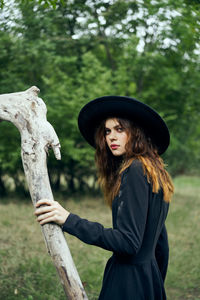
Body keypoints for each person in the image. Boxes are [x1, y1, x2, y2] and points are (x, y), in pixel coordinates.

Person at [35, 96, 174, 300]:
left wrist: (69, 220)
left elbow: (128, 242)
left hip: (127, 283)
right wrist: (153, 282)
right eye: (107, 131)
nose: (111, 137)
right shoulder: (154, 170)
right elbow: (161, 242)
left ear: (136, 132)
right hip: (147, 278)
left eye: (120, 129)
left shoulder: (135, 170)